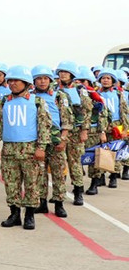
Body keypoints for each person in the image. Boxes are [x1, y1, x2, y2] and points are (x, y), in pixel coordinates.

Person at [0, 66, 51, 230]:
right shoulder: (4, 101)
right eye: (11, 81)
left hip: (30, 150)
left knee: (31, 184)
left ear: (26, 83)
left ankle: (29, 215)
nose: (12, 84)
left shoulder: (36, 102)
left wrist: (41, 147)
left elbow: (44, 126)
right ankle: (14, 214)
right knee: (11, 183)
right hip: (9, 150)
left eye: (16, 81)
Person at [31, 65, 73, 217]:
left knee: (58, 173)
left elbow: (67, 120)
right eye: (39, 79)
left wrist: (63, 139)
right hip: (37, 140)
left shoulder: (59, 96)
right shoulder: (29, 96)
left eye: (45, 79)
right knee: (39, 173)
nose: (42, 82)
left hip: (55, 140)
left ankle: (59, 203)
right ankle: (41, 202)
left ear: (50, 80)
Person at [56, 61, 92, 205]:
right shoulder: (54, 89)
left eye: (66, 72)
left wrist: (84, 130)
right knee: (59, 163)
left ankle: (78, 192)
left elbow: (87, 111)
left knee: (74, 163)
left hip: (76, 133)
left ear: (72, 74)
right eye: (61, 71)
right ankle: (60, 193)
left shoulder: (80, 90)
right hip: (59, 132)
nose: (63, 74)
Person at [79, 66, 111, 196]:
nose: (81, 84)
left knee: (94, 159)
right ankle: (78, 185)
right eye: (78, 81)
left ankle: (94, 184)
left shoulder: (96, 96)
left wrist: (102, 131)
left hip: (94, 131)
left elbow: (103, 115)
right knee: (77, 160)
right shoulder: (73, 95)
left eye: (84, 81)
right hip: (78, 132)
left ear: (90, 82)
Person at [97, 68, 128, 189]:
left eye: (108, 78)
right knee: (101, 150)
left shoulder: (118, 94)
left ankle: (114, 176)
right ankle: (100, 176)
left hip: (116, 125)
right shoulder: (97, 94)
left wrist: (125, 128)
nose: (105, 80)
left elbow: (123, 112)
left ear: (113, 80)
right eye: (103, 78)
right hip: (103, 125)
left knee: (116, 151)